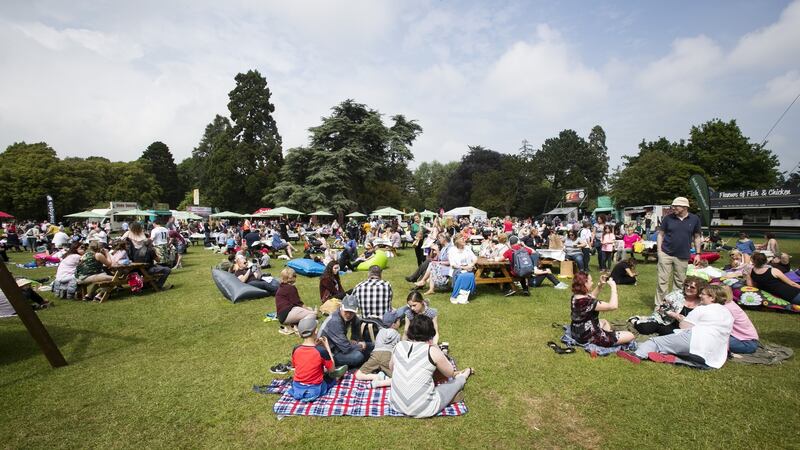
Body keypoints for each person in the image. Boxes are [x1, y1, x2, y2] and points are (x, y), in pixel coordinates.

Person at [389, 315, 474, 418]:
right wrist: (435, 346)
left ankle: (448, 397)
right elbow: (449, 373)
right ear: (430, 332)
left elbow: (392, 369)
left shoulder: (399, 346)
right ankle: (465, 374)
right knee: (455, 383)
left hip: (396, 405)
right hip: (425, 408)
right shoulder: (431, 350)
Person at [629, 285, 733, 369]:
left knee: (655, 342)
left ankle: (636, 355)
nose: (700, 295)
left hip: (695, 340)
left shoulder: (702, 309)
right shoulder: (728, 313)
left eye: (703, 294)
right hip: (715, 352)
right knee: (687, 353)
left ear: (712, 298)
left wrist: (680, 318)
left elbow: (684, 326)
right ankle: (676, 359)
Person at [655, 197, 703, 305]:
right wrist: (659, 251)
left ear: (685, 207)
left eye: (676, 206)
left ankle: (674, 305)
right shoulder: (668, 218)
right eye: (673, 206)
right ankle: (660, 306)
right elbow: (660, 234)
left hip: (682, 255)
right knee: (662, 281)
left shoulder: (694, 219)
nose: (673, 208)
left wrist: (698, 254)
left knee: (680, 283)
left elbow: (697, 237)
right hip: (665, 253)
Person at [570, 272, 635, 347]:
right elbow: (613, 306)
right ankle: (606, 340)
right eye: (590, 281)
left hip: (577, 332)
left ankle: (608, 338)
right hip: (588, 337)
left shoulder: (575, 297)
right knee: (631, 335)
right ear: (585, 283)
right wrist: (613, 287)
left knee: (604, 321)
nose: (592, 283)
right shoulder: (588, 302)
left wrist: (600, 285)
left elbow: (591, 296)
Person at [629, 276, 706, 336]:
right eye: (686, 285)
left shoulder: (702, 301)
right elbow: (662, 307)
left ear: (699, 289)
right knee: (644, 329)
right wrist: (675, 315)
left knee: (672, 334)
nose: (688, 288)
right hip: (664, 320)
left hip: (685, 328)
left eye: (692, 287)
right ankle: (636, 320)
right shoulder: (677, 294)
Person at [287, 316, 338, 402]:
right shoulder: (321, 351)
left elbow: (297, 366)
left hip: (297, 387)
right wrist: (327, 347)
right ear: (316, 331)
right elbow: (332, 369)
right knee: (334, 377)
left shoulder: (296, 349)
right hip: (315, 389)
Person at [318, 294, 373, 368]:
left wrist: (355, 338)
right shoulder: (335, 321)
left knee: (371, 346)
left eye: (352, 312)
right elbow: (346, 348)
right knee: (358, 356)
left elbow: (356, 321)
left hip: (339, 347)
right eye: (346, 311)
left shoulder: (350, 316)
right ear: (341, 307)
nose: (348, 314)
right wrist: (359, 345)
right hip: (329, 354)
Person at [355, 309, 403, 388]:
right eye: (398, 321)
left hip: (375, 355)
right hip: (388, 357)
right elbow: (398, 351)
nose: (399, 322)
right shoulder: (397, 335)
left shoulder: (380, 332)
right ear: (394, 324)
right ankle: (382, 382)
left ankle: (376, 377)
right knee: (399, 379)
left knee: (358, 375)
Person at [275, 267, 316, 334]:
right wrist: (312, 312)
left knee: (309, 310)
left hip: (282, 315)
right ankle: (300, 327)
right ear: (292, 277)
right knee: (312, 314)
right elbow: (298, 303)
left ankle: (293, 324)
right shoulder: (291, 288)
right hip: (287, 314)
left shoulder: (282, 286)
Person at [448, 235, 477, 305]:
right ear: (456, 241)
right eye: (462, 239)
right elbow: (453, 264)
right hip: (457, 269)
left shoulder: (467, 248)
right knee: (463, 275)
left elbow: (475, 258)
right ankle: (455, 295)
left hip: (468, 268)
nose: (464, 240)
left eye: (464, 239)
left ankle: (463, 295)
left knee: (470, 275)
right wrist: (464, 268)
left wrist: (471, 264)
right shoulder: (452, 250)